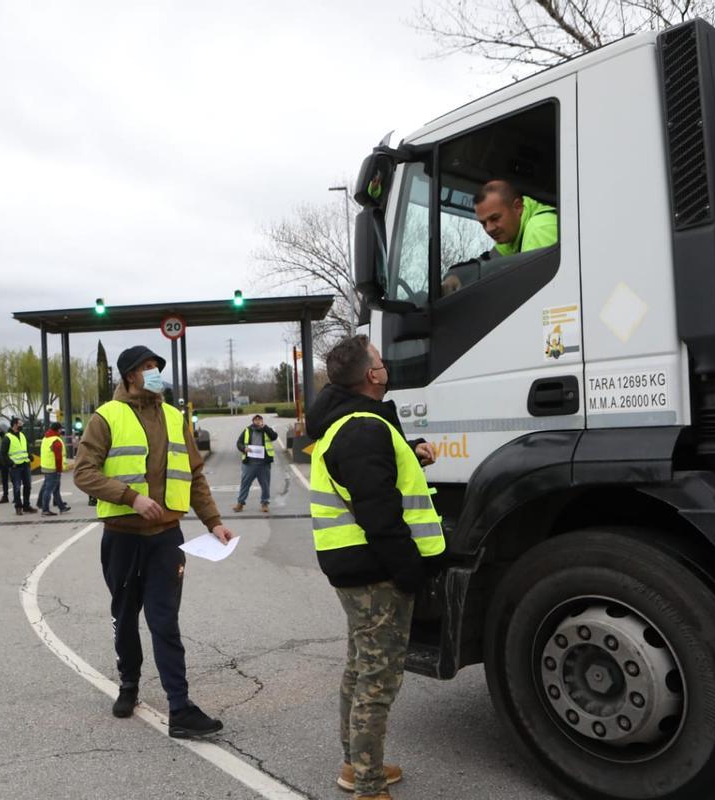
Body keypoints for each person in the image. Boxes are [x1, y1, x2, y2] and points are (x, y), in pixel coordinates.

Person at [306, 335, 446, 800]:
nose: (386, 368)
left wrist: (412, 453)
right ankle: (367, 786)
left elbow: (376, 484)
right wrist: (410, 571)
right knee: (378, 679)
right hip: (375, 574)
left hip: (357, 570)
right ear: (372, 376)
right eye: (381, 363)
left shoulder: (351, 424)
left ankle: (355, 765)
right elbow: (379, 514)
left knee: (360, 669)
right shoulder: (362, 429)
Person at [73, 345, 235, 739]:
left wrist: (213, 521)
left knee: (165, 620)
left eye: (157, 367)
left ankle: (180, 708)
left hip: (166, 538)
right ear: (129, 375)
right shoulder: (106, 417)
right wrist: (131, 497)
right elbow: (83, 473)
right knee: (125, 617)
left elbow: (194, 474)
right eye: (147, 367)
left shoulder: (175, 417)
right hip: (123, 538)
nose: (155, 372)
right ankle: (128, 684)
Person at [442, 179, 558, 295]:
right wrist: (457, 276)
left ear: (517, 207)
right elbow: (488, 262)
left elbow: (533, 295)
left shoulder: (539, 229)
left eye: (495, 218)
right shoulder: (513, 236)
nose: (489, 229)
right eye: (483, 223)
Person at [232, 414, 277, 513]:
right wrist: (244, 448)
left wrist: (264, 427)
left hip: (263, 463)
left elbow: (274, 437)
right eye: (256, 420)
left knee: (265, 484)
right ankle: (240, 503)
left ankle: (264, 504)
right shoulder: (247, 430)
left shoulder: (266, 430)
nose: (258, 421)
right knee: (245, 484)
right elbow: (239, 443)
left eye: (259, 419)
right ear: (253, 421)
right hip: (249, 463)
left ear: (262, 421)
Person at [1, 417, 36, 515]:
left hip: (25, 464)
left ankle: (26, 505)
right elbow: (3, 453)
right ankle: (18, 506)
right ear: (15, 425)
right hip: (15, 466)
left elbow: (25, 448)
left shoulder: (22, 435)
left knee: (28, 486)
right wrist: (11, 463)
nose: (22, 425)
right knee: (16, 487)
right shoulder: (7, 437)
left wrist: (30, 455)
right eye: (20, 423)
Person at [38, 421, 72, 516]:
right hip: (53, 468)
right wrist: (59, 469)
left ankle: (61, 507)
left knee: (55, 488)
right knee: (49, 489)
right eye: (61, 429)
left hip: (46, 466)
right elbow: (58, 457)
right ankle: (45, 509)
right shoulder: (56, 441)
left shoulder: (46, 438)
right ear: (58, 429)